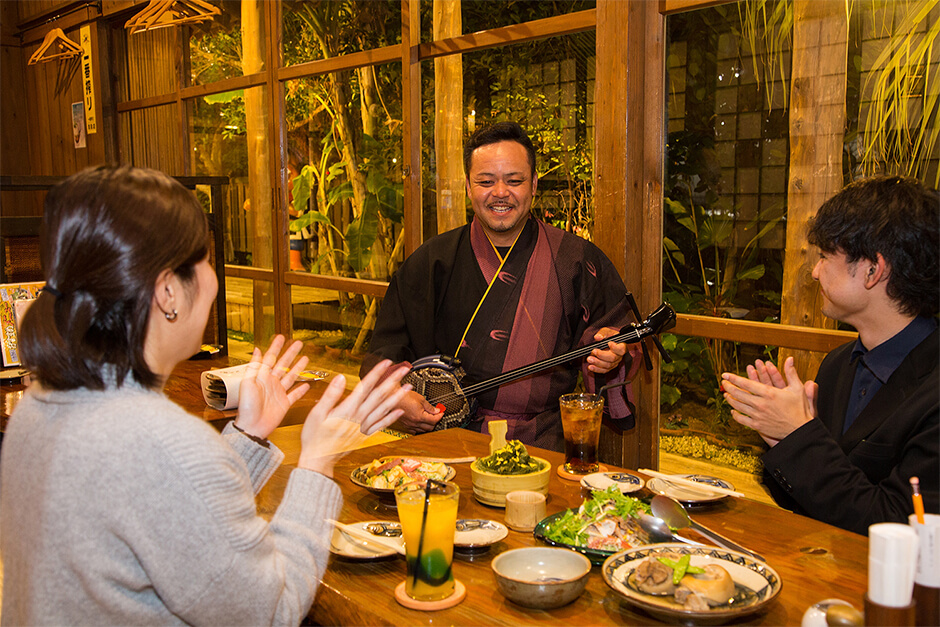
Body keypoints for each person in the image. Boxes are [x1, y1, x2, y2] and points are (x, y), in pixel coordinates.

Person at [0, 165, 411, 624]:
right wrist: (317, 463)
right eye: (206, 262)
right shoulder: (158, 440)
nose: (215, 281)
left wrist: (248, 434)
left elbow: (169, 516)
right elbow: (270, 610)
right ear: (169, 291)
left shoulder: (42, 405)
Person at [359, 121, 642, 451]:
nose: (500, 193)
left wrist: (612, 355)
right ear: (468, 186)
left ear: (534, 184)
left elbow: (615, 336)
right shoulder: (431, 261)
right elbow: (384, 352)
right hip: (448, 441)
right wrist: (397, 397)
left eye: (514, 180)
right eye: (485, 181)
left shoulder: (575, 259)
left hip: (541, 446)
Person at [721, 175, 939, 535]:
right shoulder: (839, 365)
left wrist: (799, 436)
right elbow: (813, 500)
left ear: (873, 270)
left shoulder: (932, 390)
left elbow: (899, 529)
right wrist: (781, 437)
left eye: (824, 257)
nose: (815, 271)